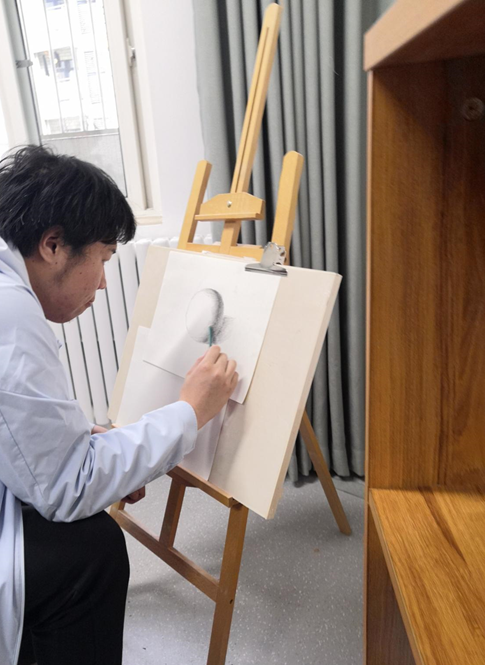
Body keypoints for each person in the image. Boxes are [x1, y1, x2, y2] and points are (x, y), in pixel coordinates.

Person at [0, 145, 238, 665]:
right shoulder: (10, 313)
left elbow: (15, 428)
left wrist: (81, 441)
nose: (105, 282)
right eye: (104, 259)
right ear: (53, 245)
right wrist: (190, 412)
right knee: (92, 552)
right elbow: (66, 488)